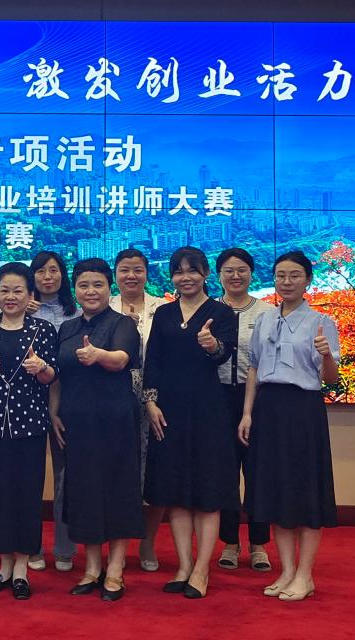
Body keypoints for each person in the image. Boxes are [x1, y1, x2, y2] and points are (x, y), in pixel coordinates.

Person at [239, 250, 340, 603]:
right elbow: (254, 368)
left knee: (305, 492)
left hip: (303, 410)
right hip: (268, 408)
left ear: (307, 279)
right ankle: (286, 571)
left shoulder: (321, 322)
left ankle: (305, 575)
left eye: (295, 275)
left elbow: (330, 378)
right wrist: (247, 413)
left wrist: (325, 354)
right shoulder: (265, 319)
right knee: (276, 491)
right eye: (281, 275)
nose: (287, 281)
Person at [144, 246, 238, 600]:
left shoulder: (221, 312)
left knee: (207, 493)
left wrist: (211, 345)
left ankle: (201, 569)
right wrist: (150, 402)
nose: (185, 277)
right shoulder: (164, 313)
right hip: (168, 410)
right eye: (179, 271)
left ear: (205, 274)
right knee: (176, 493)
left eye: (192, 270)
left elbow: (223, 355)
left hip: (208, 410)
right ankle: (184, 565)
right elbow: (153, 360)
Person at [0, 263, 59, 600]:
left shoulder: (43, 330)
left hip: (30, 425)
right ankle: (3, 566)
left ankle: (22, 569)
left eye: (18, 290)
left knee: (27, 495)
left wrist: (42, 367)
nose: (10, 296)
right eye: (4, 290)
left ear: (29, 294)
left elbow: (52, 376)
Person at [55, 258, 143, 602]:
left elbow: (121, 359)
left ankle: (116, 569)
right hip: (77, 422)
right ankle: (92, 568)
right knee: (85, 492)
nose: (90, 291)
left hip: (115, 421)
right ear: (75, 290)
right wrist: (54, 413)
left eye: (98, 285)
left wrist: (99, 355)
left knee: (118, 491)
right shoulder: (67, 328)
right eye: (83, 285)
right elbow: (58, 376)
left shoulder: (123, 323)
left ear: (109, 288)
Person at [108, 247, 169, 573]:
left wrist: (150, 397)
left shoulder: (163, 309)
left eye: (137, 270)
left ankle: (147, 542)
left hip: (156, 401)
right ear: (115, 274)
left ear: (147, 273)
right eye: (124, 270)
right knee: (117, 471)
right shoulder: (104, 306)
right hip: (112, 400)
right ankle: (113, 546)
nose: (131, 276)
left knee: (154, 474)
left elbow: (165, 357)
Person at [214, 248, 272, 572]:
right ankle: (230, 542)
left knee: (257, 472)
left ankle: (259, 543)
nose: (235, 276)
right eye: (229, 270)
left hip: (258, 400)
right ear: (218, 275)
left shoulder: (267, 312)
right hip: (217, 399)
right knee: (224, 473)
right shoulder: (209, 310)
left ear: (251, 273)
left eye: (242, 270)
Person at [26, 251, 81, 573]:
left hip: (68, 402)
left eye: (54, 270)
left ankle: (64, 548)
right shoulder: (22, 309)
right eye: (41, 271)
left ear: (63, 274)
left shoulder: (77, 312)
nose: (48, 277)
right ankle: (30, 545)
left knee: (65, 478)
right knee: (30, 476)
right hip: (28, 402)